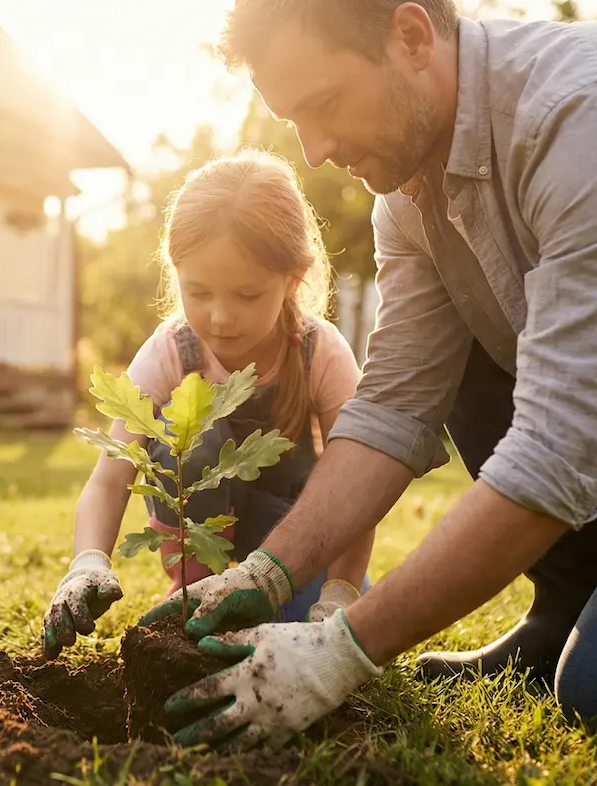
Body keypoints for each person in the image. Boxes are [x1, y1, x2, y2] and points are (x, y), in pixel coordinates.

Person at [140, 0, 597, 750]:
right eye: (294, 119)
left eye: (324, 104)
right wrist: (267, 574)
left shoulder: (595, 115)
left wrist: (341, 652)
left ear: (411, 36)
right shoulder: (408, 193)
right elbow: (395, 405)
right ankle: (567, 605)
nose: (316, 150)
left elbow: (559, 452)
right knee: (462, 343)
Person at [41, 149, 377, 660]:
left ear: (292, 279)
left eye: (247, 295)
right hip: (200, 548)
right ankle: (193, 598)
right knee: (195, 444)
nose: (220, 317)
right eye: (198, 292)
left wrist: (338, 595)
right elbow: (109, 479)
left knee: (296, 631)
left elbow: (355, 487)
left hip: (295, 542)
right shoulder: (172, 350)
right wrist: (87, 563)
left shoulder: (319, 351)